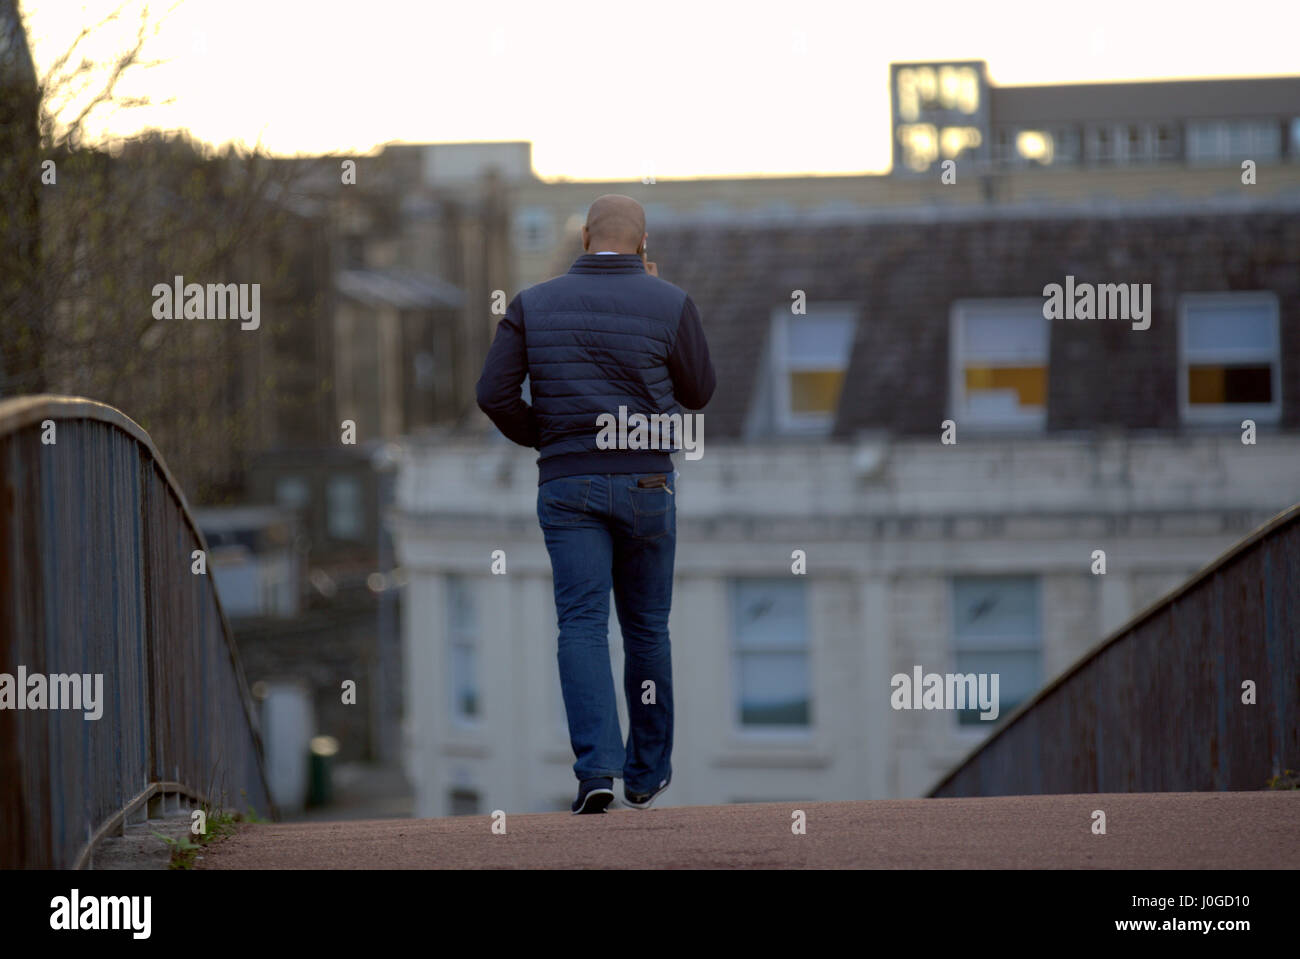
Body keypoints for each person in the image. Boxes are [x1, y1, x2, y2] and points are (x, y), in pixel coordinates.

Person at [476, 194, 716, 813]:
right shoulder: (672, 303)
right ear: (643, 243)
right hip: (646, 483)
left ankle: (596, 773)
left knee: (581, 624)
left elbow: (492, 393)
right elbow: (699, 392)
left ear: (584, 237)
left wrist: (550, 437)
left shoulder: (531, 303)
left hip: (568, 485)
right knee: (646, 628)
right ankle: (648, 771)